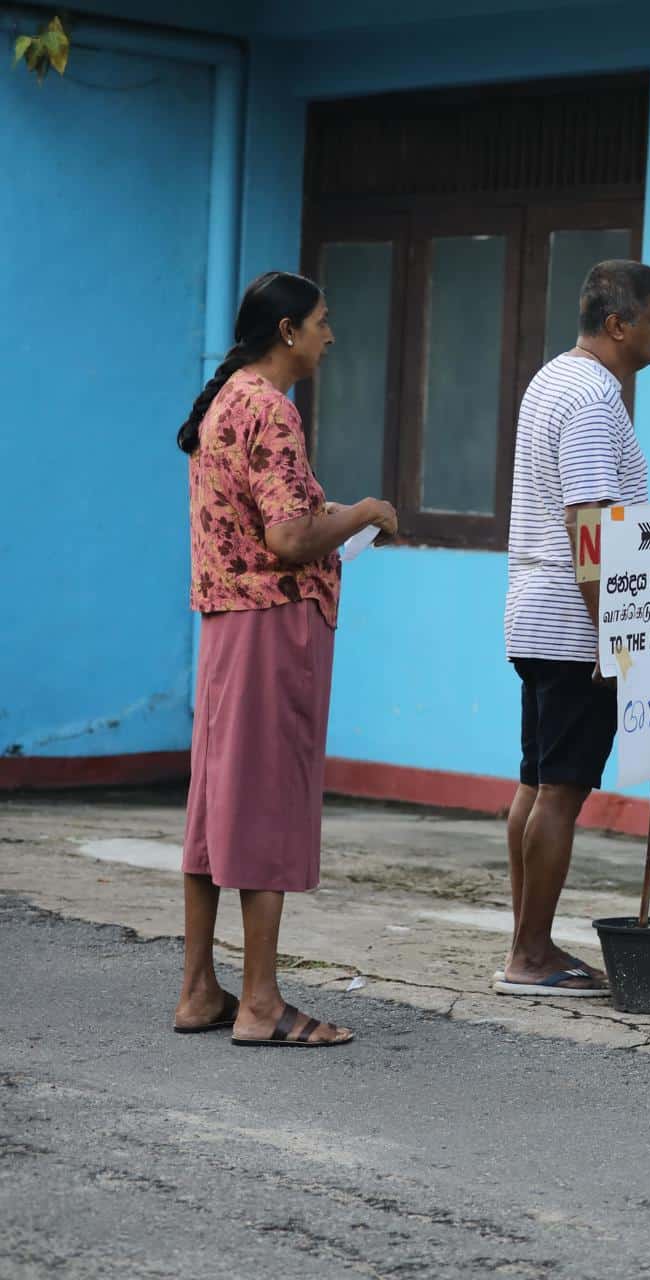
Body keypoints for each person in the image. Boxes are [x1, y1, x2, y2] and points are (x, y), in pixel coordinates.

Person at [174, 271, 399, 1047]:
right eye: (322, 322)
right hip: (272, 626)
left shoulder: (229, 398)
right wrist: (366, 514)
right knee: (267, 800)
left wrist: (328, 519)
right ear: (288, 332)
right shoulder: (269, 409)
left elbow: (274, 516)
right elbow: (288, 539)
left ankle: (200, 986)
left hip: (226, 627)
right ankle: (262, 1003)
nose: (331, 336)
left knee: (215, 806)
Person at [498, 261, 650, 996]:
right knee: (561, 791)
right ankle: (531, 955)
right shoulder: (596, 398)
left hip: (534, 612)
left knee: (535, 785)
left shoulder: (552, 379)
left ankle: (525, 943)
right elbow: (589, 524)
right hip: (574, 624)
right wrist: (615, 635)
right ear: (617, 325)